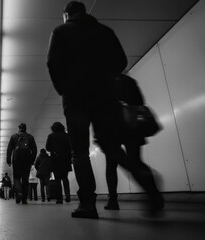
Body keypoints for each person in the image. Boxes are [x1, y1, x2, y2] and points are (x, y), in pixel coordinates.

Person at [47, 1, 163, 218]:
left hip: (75, 100)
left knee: (79, 151)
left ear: (66, 14)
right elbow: (121, 61)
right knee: (110, 146)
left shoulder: (61, 31)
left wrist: (64, 89)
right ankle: (145, 179)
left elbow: (52, 63)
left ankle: (87, 205)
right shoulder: (105, 31)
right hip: (104, 99)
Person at [102, 74, 163, 210]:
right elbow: (140, 101)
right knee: (136, 160)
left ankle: (113, 200)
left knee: (111, 165)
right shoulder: (128, 80)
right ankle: (152, 189)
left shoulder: (100, 81)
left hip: (112, 128)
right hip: (133, 125)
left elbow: (98, 108)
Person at [6, 123, 37, 204]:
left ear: (18, 128)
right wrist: (32, 160)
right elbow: (34, 150)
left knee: (17, 178)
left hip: (16, 160)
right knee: (25, 179)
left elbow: (9, 149)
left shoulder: (13, 136)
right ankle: (24, 199)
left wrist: (8, 160)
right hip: (26, 161)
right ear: (25, 128)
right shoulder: (30, 137)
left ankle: (18, 194)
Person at [46, 122, 73, 204]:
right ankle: (68, 195)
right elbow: (70, 147)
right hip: (65, 159)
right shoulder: (66, 135)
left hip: (55, 160)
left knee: (57, 179)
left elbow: (48, 147)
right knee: (65, 178)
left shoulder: (51, 136)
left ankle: (59, 198)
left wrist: (54, 151)